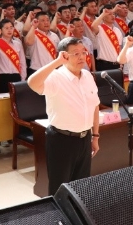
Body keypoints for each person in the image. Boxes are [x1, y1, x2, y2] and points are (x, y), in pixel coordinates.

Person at [27, 37, 100, 195]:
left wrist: (95, 136)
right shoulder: (55, 77)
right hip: (62, 140)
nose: (81, 57)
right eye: (76, 53)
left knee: (82, 187)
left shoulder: (87, 76)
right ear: (64, 56)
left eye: (83, 52)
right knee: (59, 188)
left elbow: (94, 106)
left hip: (85, 138)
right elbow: (32, 83)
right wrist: (56, 62)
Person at [0, 19, 27, 93]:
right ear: (1, 30)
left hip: (16, 76)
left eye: (11, 27)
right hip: (2, 77)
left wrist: (22, 79)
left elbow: (22, 62)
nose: (9, 30)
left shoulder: (17, 43)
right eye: (6, 28)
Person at [91, 4, 124, 72]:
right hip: (104, 64)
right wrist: (103, 14)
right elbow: (93, 26)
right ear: (103, 17)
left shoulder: (117, 30)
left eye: (113, 14)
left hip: (116, 64)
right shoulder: (100, 28)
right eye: (109, 14)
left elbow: (119, 48)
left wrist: (121, 63)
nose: (112, 16)